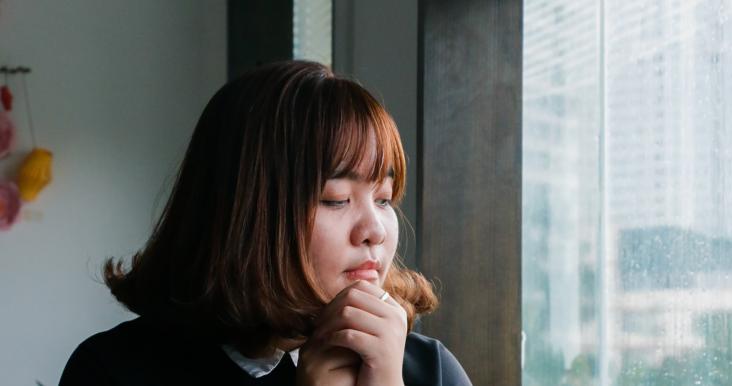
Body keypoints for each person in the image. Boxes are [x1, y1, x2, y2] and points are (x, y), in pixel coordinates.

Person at [59, 60, 472, 386]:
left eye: (383, 199)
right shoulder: (114, 371)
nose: (375, 231)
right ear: (245, 212)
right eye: (336, 200)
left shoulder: (430, 370)